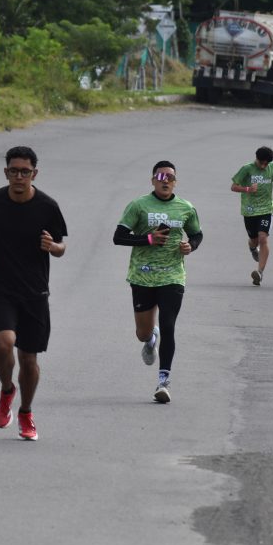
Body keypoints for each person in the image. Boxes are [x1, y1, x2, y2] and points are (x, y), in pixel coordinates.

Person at [0, 146, 68, 441]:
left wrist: (53, 247)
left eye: (25, 172)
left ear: (34, 174)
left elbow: (61, 246)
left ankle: (26, 412)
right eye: (13, 171)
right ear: (6, 172)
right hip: (1, 287)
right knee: (4, 344)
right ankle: (6, 391)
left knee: (28, 360)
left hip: (35, 292)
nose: (19, 177)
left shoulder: (47, 206)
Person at [113, 160, 202, 404]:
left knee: (169, 325)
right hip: (143, 275)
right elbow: (118, 237)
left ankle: (163, 381)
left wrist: (190, 246)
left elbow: (196, 234)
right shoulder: (139, 205)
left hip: (172, 275)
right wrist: (148, 239)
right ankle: (150, 337)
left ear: (175, 182)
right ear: (153, 180)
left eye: (170, 177)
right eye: (161, 177)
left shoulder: (185, 207)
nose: (165, 181)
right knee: (142, 333)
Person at [230, 146, 273, 286]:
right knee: (254, 240)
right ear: (256, 158)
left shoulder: (272, 168)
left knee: (263, 238)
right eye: (261, 162)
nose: (263, 166)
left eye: (266, 163)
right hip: (249, 210)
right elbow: (233, 186)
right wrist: (248, 189)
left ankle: (259, 273)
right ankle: (252, 248)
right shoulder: (247, 169)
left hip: (267, 209)